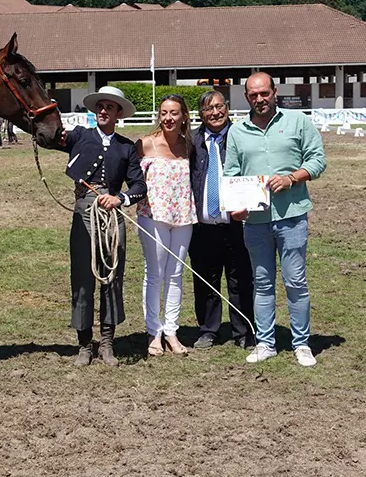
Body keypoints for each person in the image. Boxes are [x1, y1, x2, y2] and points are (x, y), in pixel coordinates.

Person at [224, 72, 326, 367]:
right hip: (255, 221)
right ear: (247, 98)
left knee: (295, 281)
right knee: (262, 282)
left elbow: (317, 160)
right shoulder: (238, 132)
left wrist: (293, 178)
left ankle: (301, 343)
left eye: (264, 93)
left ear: (274, 92)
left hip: (292, 216)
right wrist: (237, 206)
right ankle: (266, 342)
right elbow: (231, 173)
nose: (260, 99)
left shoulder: (298, 122)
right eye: (253, 95)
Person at [52, 86, 146, 367]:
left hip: (113, 217)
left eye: (110, 107)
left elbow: (139, 186)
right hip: (84, 214)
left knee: (111, 277)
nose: (103, 111)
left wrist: (120, 198)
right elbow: (51, 137)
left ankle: (107, 343)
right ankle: (84, 344)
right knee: (82, 278)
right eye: (100, 106)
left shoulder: (126, 147)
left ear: (118, 113)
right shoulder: (80, 136)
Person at [188, 90, 255, 350]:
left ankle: (244, 331)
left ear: (227, 107)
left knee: (241, 279)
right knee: (206, 280)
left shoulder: (241, 136)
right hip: (202, 226)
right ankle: (208, 330)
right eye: (208, 109)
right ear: (200, 114)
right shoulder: (191, 141)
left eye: (219, 107)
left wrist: (250, 204)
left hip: (238, 223)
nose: (215, 113)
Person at [134, 95, 197, 357]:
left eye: (174, 113)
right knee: (155, 273)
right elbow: (129, 174)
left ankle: (171, 330)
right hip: (153, 216)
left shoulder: (189, 146)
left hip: (183, 216)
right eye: (164, 113)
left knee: (175, 274)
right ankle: (153, 331)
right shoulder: (145, 144)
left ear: (183, 116)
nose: (168, 118)